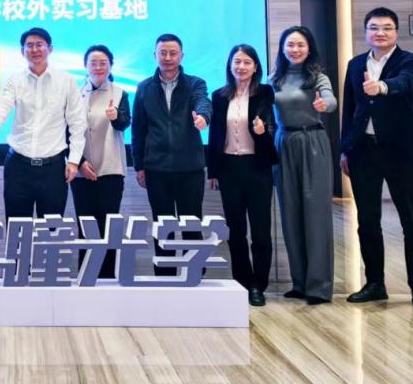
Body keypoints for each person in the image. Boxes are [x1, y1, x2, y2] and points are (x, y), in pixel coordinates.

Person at [341, 7, 413, 311]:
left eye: (386, 28)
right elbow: (350, 109)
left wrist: (382, 86)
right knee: (367, 221)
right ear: (365, 31)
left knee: (412, 222)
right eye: (374, 28)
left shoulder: (410, 61)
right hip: (363, 151)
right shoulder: (356, 64)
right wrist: (345, 149)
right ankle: (375, 284)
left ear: (396, 32)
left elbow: (406, 83)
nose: (380, 33)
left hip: (400, 150)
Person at [130, 33, 212, 276]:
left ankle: (193, 277)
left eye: (173, 53)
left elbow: (203, 102)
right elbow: (138, 130)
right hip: (157, 170)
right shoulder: (144, 87)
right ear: (155, 55)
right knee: (163, 227)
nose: (167, 57)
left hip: (189, 169)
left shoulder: (195, 84)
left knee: (191, 225)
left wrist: (203, 117)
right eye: (162, 53)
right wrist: (139, 166)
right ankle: (165, 280)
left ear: (181, 56)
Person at [0, 27, 86, 219]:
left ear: (50, 49)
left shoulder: (66, 81)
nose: (34, 49)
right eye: (29, 45)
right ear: (22, 51)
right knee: (17, 227)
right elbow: (4, 104)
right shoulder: (15, 80)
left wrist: (74, 161)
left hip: (53, 168)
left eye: (39, 45)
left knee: (51, 229)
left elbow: (77, 123)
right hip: (18, 165)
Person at [270, 25, 337, 305]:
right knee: (291, 214)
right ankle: (299, 282)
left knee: (316, 214)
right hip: (283, 144)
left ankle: (319, 286)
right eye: (290, 45)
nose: (295, 50)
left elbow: (330, 100)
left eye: (300, 45)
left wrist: (325, 105)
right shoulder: (274, 78)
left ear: (309, 48)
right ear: (282, 48)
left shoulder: (317, 77)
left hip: (312, 143)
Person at [208, 44, 278, 306]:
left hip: (257, 167)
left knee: (260, 231)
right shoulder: (219, 95)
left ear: (256, 66)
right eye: (237, 61)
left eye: (247, 62)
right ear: (230, 65)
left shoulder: (265, 92)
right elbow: (215, 134)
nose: (241, 66)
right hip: (229, 169)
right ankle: (242, 282)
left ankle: (259, 285)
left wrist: (262, 131)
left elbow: (270, 127)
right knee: (236, 231)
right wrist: (213, 171)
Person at [72, 45, 130, 278]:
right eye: (93, 63)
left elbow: (125, 123)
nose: (98, 67)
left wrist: (116, 117)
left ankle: (108, 278)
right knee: (85, 226)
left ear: (111, 65)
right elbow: (66, 130)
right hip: (80, 170)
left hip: (111, 168)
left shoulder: (120, 93)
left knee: (108, 227)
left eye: (103, 63)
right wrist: (80, 162)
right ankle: (85, 277)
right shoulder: (75, 93)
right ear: (85, 66)